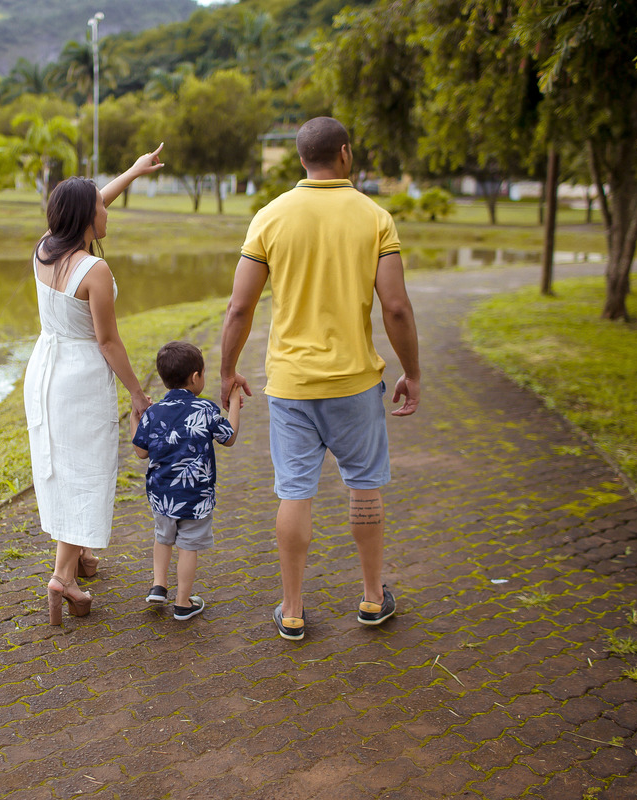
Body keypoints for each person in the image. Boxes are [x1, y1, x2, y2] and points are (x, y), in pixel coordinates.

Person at [219, 117, 421, 641]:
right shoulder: (375, 217)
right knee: (365, 488)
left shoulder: (271, 216)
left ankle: (291, 610)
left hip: (289, 385)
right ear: (346, 154)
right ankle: (373, 599)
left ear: (300, 158)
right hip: (355, 383)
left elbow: (239, 307)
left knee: (295, 492)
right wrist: (412, 373)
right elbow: (395, 307)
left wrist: (226, 370)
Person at [24, 146, 165, 626]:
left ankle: (79, 559)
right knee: (86, 472)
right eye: (102, 207)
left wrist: (133, 171)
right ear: (87, 217)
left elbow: (87, 199)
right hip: (82, 378)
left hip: (45, 369)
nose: (108, 209)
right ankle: (65, 575)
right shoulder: (95, 270)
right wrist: (138, 394)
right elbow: (108, 342)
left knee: (62, 466)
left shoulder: (46, 245)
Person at [130, 341, 242, 621]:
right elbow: (228, 438)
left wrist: (135, 418)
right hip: (195, 497)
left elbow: (140, 451)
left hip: (161, 496)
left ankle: (159, 585)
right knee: (188, 546)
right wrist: (236, 405)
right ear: (195, 377)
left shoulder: (153, 412)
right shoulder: (205, 409)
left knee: (163, 538)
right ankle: (182, 603)